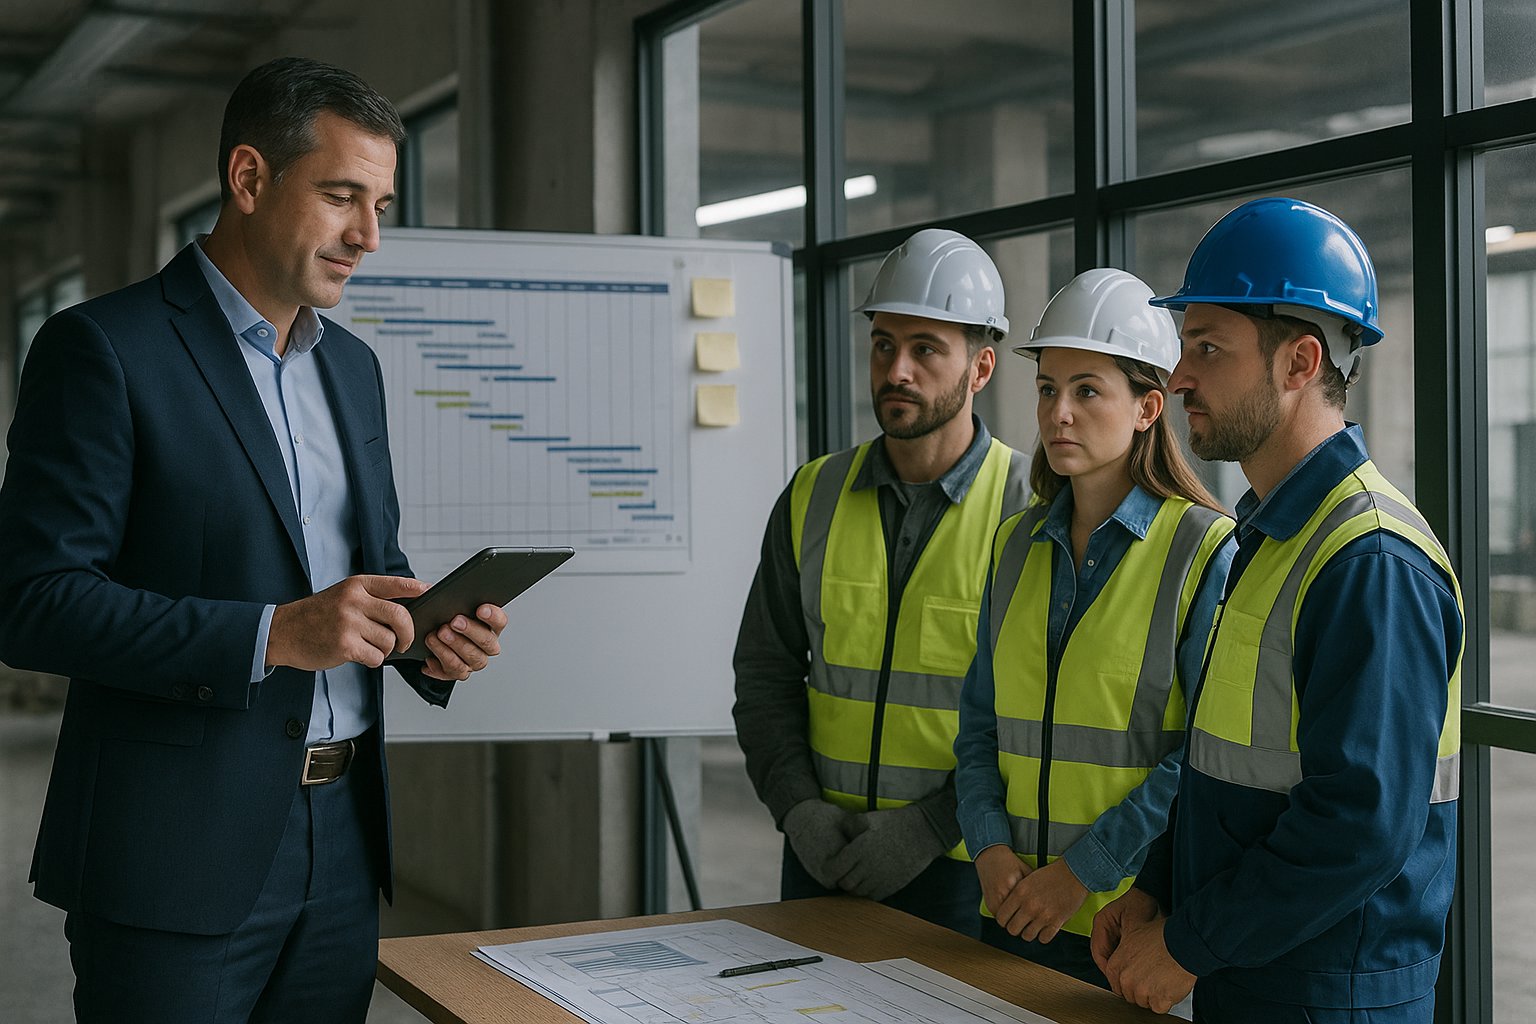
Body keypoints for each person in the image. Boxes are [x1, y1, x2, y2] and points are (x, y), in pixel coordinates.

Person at [0, 57, 509, 1023]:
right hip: (172, 853)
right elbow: (32, 602)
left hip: (343, 840)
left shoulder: (351, 368)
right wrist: (269, 634)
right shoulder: (103, 349)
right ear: (248, 179)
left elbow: (373, 571)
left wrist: (427, 639)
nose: (368, 235)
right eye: (342, 196)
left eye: (382, 204)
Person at [1090, 198, 1464, 1023]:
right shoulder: (1272, 535)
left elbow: (1358, 824)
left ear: (1299, 363)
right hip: (1258, 972)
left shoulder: (1370, 560)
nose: (1179, 375)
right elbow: (1231, 764)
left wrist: (1191, 944)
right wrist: (1158, 890)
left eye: (1208, 348)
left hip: (1332, 996)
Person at [733, 228, 1030, 936]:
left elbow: (1039, 717)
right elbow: (766, 675)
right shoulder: (812, 494)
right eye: (884, 344)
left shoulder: (1030, 508)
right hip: (821, 856)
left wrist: (929, 827)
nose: (896, 369)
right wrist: (798, 809)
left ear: (981, 368)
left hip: (966, 868)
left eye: (925, 348)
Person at [953, 269, 1235, 987]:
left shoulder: (1204, 551)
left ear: (1147, 409)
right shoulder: (1014, 544)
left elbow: (1206, 761)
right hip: (1008, 911)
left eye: (1087, 391)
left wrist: (1081, 874)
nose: (1059, 414)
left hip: (1129, 931)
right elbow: (980, 723)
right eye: (1048, 389)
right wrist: (987, 848)